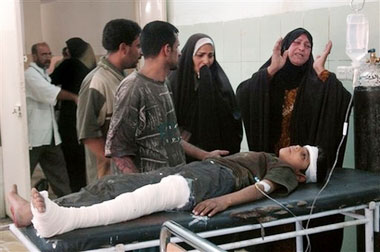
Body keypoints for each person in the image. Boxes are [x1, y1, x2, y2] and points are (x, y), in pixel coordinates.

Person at [8, 145, 322, 238]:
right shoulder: (271, 157)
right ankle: (44, 211)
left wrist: (223, 200)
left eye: (303, 155)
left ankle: (57, 220)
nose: (297, 147)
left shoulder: (284, 173)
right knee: (112, 184)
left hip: (213, 182)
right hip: (201, 172)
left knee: (149, 197)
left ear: (301, 174)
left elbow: (262, 189)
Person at [236, 28, 351, 252]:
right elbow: (243, 94)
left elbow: (343, 101)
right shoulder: (269, 76)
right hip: (273, 173)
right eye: (297, 43)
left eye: (307, 45)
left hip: (302, 176)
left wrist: (322, 73)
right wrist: (271, 70)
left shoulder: (314, 81)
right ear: (286, 47)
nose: (302, 48)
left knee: (304, 233)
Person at [105, 21, 228, 174]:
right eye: (177, 47)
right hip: (151, 191)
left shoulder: (164, 84)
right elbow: (118, 151)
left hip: (172, 184)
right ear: (167, 49)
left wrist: (205, 155)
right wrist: (143, 190)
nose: (180, 53)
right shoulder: (132, 88)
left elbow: (170, 135)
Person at [77, 19, 142, 184]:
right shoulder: (96, 82)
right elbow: (88, 134)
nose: (141, 52)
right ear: (123, 48)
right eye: (138, 46)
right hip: (107, 179)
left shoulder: (122, 78)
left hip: (125, 176)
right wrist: (119, 164)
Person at [169, 33, 242, 162]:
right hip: (185, 152)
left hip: (215, 151)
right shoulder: (175, 82)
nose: (206, 61)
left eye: (210, 55)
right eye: (200, 55)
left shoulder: (219, 81)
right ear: (190, 56)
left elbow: (232, 116)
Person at [25, 42, 78, 197]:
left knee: (60, 177)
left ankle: (68, 206)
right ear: (34, 56)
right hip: (34, 139)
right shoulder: (30, 75)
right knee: (23, 175)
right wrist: (75, 98)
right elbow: (51, 93)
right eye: (44, 54)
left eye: (49, 54)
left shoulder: (44, 75)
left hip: (50, 137)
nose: (48, 57)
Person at [50, 37, 97, 192]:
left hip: (69, 116)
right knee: (81, 156)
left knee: (70, 156)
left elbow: (50, 82)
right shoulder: (90, 66)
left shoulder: (69, 64)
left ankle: (74, 189)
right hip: (85, 114)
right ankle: (84, 188)